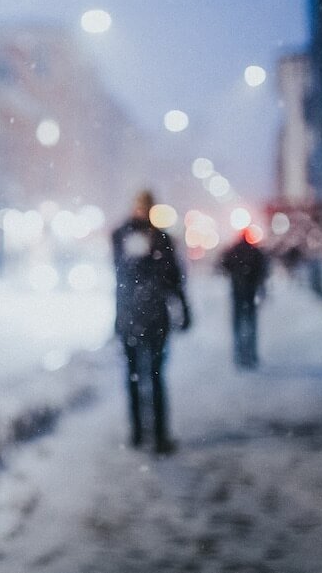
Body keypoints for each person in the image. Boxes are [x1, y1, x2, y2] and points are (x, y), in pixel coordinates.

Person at [111, 190, 191, 454]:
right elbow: (172, 278)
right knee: (150, 377)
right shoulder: (158, 238)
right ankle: (152, 434)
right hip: (148, 316)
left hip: (137, 317)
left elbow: (125, 275)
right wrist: (182, 306)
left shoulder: (125, 236)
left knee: (139, 376)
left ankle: (145, 433)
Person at [219, 231, 269, 369]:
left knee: (238, 324)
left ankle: (239, 354)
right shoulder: (254, 251)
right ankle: (251, 354)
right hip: (250, 293)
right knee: (251, 323)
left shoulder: (234, 250)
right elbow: (262, 270)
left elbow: (224, 264)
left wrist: (234, 274)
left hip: (237, 292)